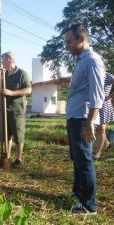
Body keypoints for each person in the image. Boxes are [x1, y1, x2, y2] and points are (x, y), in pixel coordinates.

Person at [65, 23, 105, 214]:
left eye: (69, 42)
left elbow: (97, 96)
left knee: (85, 161)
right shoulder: (81, 60)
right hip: (74, 116)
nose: (67, 46)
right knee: (77, 159)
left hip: (83, 118)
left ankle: (89, 205)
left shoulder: (92, 60)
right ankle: (78, 194)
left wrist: (89, 123)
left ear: (82, 39)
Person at [0, 51, 32, 168]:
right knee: (5, 134)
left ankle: (19, 159)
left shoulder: (21, 73)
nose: (1, 63)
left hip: (17, 109)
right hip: (4, 109)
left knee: (18, 134)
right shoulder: (3, 73)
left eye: (3, 60)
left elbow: (28, 90)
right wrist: (0, 76)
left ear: (9, 60)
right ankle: (7, 156)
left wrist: (12, 92)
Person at [94, 71, 114, 160]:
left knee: (101, 129)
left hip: (104, 104)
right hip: (94, 104)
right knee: (97, 128)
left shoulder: (109, 76)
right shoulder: (94, 74)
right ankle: (106, 143)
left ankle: (97, 154)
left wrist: (109, 96)